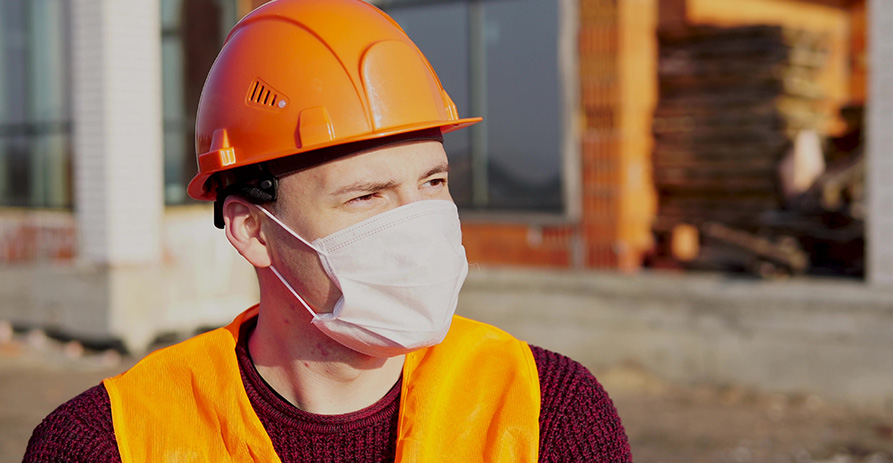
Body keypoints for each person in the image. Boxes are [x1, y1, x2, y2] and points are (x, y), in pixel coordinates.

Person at [24, 0, 632, 461]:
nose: (417, 227)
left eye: (433, 184)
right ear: (252, 230)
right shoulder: (113, 440)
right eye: (366, 196)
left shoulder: (545, 411)